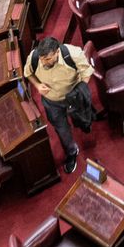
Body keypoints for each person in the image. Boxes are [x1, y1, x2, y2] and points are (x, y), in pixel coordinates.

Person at [25, 36, 96, 174]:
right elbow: (28, 73)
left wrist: (78, 91)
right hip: (51, 102)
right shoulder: (34, 58)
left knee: (82, 119)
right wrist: (37, 85)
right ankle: (72, 152)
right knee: (61, 129)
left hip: (73, 97)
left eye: (47, 59)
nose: (43, 62)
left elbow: (86, 73)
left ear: (57, 52)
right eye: (42, 59)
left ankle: (85, 123)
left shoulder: (73, 53)